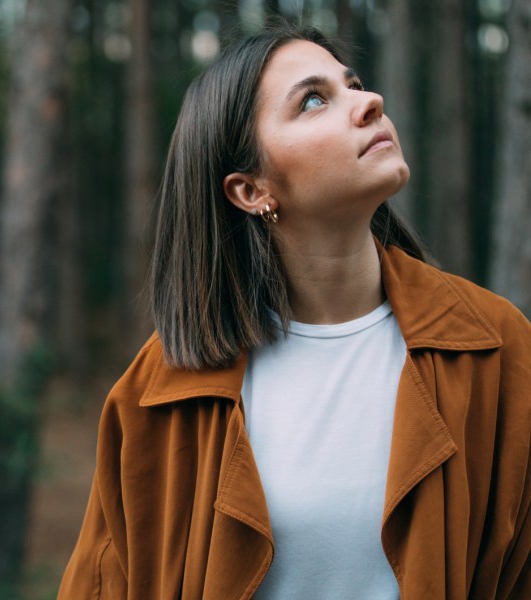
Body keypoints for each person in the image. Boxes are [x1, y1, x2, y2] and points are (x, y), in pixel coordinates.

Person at [58, 24, 531, 600]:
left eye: (352, 84)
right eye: (314, 100)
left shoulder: (496, 346)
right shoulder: (160, 392)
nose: (369, 102)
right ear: (251, 191)